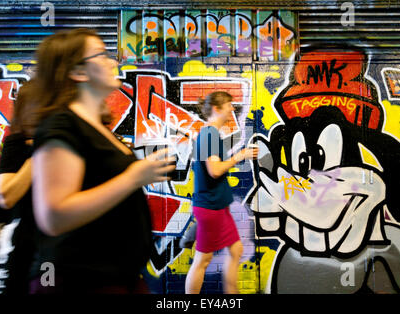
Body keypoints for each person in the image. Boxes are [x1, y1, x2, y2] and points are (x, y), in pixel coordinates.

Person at [28, 28, 175, 294]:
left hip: (117, 278)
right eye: (102, 55)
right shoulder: (62, 126)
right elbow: (53, 216)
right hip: (79, 283)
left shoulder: (95, 126)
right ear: (78, 72)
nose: (114, 61)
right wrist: (133, 178)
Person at [185, 91, 258, 294]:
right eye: (229, 105)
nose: (232, 109)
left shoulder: (210, 133)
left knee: (235, 250)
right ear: (217, 109)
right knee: (203, 260)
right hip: (211, 208)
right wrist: (240, 156)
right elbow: (215, 170)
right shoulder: (209, 134)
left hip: (217, 207)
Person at [0, 81, 38, 295]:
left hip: (42, 245)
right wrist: (39, 154)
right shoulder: (19, 143)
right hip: (21, 244)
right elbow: (5, 194)